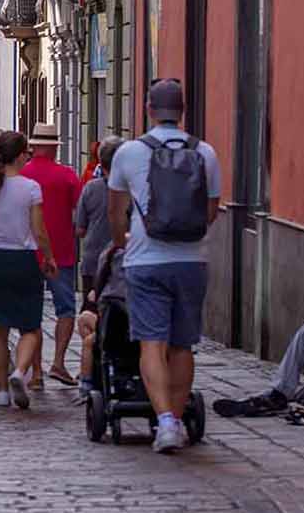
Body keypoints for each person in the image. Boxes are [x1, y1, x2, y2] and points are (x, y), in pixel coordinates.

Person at [107, 78, 222, 454]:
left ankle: (167, 424)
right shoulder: (205, 153)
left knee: (151, 344)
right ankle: (174, 411)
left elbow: (115, 212)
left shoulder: (129, 152)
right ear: (183, 111)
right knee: (183, 345)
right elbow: (210, 212)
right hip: (191, 261)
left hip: (145, 261)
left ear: (148, 110)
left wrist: (124, 241)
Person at [0, 131, 57, 410]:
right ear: (20, 156)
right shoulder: (30, 188)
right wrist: (49, 257)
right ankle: (20, 370)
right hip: (24, 260)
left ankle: (2, 391)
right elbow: (39, 231)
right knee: (30, 326)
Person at [21, 123, 81, 388]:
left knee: (30, 313)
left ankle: (35, 373)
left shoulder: (21, 175)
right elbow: (79, 214)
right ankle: (58, 362)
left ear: (33, 147)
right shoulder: (67, 176)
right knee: (66, 309)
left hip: (27, 253)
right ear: (54, 147)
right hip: (62, 252)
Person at [75, 242, 127, 401]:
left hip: (124, 327)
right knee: (84, 319)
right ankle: (96, 370)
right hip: (118, 319)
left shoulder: (114, 253)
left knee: (90, 341)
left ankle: (87, 383)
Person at [75, 137, 124, 295]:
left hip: (93, 261)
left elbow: (80, 229)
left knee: (90, 310)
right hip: (124, 260)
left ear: (101, 163)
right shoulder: (133, 189)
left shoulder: (90, 189)